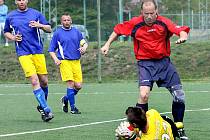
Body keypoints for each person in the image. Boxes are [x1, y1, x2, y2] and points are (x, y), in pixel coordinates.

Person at [101, 0, 189, 139]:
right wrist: (107, 44)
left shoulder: (164, 22)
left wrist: (183, 37)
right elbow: (117, 31)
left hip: (164, 63)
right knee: (143, 95)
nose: (149, 16)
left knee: (179, 95)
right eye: (146, 13)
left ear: (156, 12)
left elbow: (181, 30)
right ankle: (140, 128)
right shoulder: (135, 23)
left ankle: (179, 127)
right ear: (142, 12)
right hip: (145, 64)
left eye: (152, 13)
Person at [4, 0, 53, 122]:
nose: (21, 1)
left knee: (44, 82)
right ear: (16, 1)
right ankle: (46, 109)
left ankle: (41, 105)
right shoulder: (10, 16)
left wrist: (40, 25)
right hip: (23, 53)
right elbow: (6, 32)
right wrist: (13, 38)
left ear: (27, 1)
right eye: (19, 0)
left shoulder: (36, 14)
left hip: (38, 52)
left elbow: (49, 29)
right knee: (34, 80)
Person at [48, 13, 88, 114]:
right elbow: (51, 50)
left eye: (68, 20)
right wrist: (55, 59)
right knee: (70, 83)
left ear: (71, 21)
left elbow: (84, 43)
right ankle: (73, 108)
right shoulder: (57, 33)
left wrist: (84, 48)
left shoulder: (76, 32)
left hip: (76, 62)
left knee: (78, 86)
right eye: (64, 20)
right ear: (61, 22)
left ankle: (66, 99)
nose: (66, 22)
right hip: (64, 61)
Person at [115, 107, 180, 140]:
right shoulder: (153, 113)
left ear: (135, 125)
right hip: (170, 129)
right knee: (164, 118)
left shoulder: (148, 138)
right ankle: (178, 127)